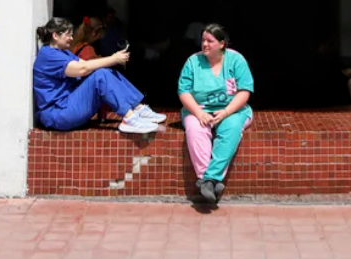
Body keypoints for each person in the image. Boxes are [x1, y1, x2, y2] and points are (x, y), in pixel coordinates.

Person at [33, 17, 165, 134]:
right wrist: (113, 59)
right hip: (58, 114)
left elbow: (85, 64)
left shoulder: (63, 53)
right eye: (68, 35)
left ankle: (138, 108)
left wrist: (112, 59)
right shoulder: (48, 55)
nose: (72, 39)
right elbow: (82, 69)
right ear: (55, 35)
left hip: (67, 108)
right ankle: (130, 119)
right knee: (101, 75)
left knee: (104, 72)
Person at [178, 24, 254, 204]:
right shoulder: (193, 62)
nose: (204, 44)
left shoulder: (236, 60)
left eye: (209, 41)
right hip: (199, 109)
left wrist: (226, 112)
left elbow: (244, 91)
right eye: (203, 40)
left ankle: (208, 179)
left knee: (231, 129)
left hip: (232, 110)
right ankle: (210, 181)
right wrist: (199, 113)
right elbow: (184, 91)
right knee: (195, 130)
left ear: (221, 43)